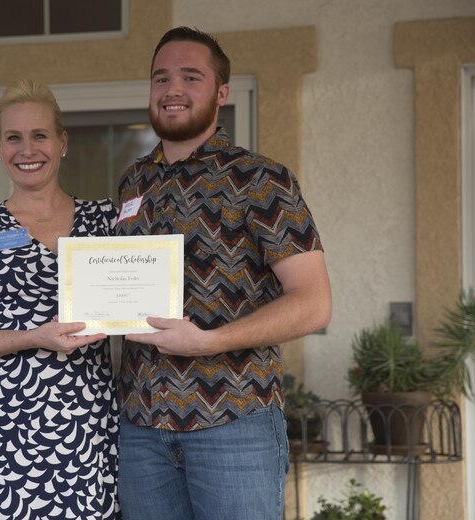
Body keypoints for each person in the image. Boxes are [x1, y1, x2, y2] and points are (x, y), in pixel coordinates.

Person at [114, 27, 332, 520]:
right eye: (161, 77)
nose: (172, 89)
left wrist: (209, 342)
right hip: (141, 426)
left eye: (191, 76)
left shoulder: (260, 179)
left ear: (221, 93)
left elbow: (313, 302)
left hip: (233, 421)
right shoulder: (134, 181)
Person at [0, 79, 121, 520]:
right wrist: (34, 336)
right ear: (0, 148)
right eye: (13, 137)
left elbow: (138, 305)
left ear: (62, 143)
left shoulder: (106, 221)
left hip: (85, 424)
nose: (27, 149)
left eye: (39, 135)